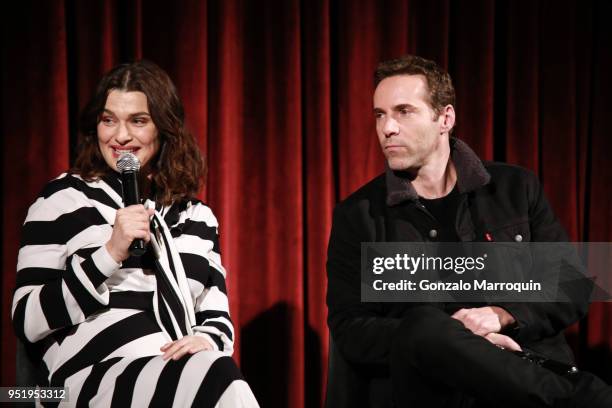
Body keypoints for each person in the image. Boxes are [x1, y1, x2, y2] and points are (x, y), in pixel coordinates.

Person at [326, 55, 612, 407]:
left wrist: (503, 315)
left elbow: (574, 282)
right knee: (424, 324)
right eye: (380, 115)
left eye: (403, 111)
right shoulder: (357, 215)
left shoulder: (515, 188)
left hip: (523, 369)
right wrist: (458, 342)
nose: (387, 128)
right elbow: (350, 328)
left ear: (445, 117)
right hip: (430, 389)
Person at [12, 60, 259, 407]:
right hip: (89, 380)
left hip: (179, 373)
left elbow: (216, 318)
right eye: (108, 119)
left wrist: (205, 340)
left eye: (138, 121)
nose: (120, 136)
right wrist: (109, 253)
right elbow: (27, 319)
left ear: (164, 128)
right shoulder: (62, 199)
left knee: (213, 367)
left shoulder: (197, 217)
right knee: (214, 378)